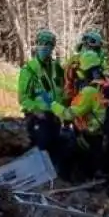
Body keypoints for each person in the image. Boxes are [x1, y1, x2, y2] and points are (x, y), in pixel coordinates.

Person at [52, 49, 109, 190]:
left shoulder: (89, 92)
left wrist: (53, 105)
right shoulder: (107, 85)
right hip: (107, 135)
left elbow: (69, 114)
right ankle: (101, 176)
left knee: (65, 150)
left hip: (92, 136)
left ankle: (70, 181)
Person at [17, 28, 65, 156]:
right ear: (37, 44)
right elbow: (23, 98)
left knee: (57, 152)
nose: (45, 47)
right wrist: (36, 110)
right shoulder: (29, 69)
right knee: (41, 153)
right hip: (38, 119)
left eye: (48, 44)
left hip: (55, 118)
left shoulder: (57, 67)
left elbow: (63, 90)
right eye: (42, 43)